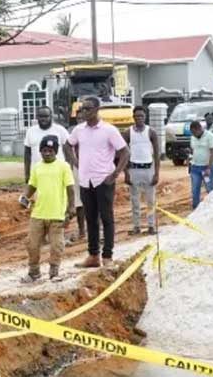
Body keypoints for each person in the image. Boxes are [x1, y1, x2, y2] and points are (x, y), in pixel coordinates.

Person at [67, 96, 129, 269]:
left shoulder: (109, 130)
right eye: (82, 109)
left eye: (87, 109)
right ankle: (93, 255)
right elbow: (67, 144)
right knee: (90, 219)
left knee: (107, 218)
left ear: (96, 110)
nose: (83, 112)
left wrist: (116, 173)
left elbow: (125, 152)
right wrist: (75, 161)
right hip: (86, 181)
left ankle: (107, 256)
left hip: (103, 180)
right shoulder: (79, 130)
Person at [23, 106, 83, 242]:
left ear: (51, 117)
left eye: (46, 116)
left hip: (59, 174)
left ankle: (70, 232)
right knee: (41, 205)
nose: (43, 119)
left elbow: (68, 150)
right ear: (36, 117)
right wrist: (27, 174)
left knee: (66, 203)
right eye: (40, 116)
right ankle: (43, 235)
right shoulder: (31, 132)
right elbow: (27, 154)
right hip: (39, 175)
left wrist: (70, 168)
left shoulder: (60, 130)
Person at [20, 135, 75, 283]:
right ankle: (33, 272)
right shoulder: (37, 167)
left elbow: (70, 188)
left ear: (55, 151)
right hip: (38, 214)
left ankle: (54, 272)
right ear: (40, 151)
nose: (47, 153)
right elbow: (32, 186)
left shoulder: (64, 166)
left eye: (50, 150)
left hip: (57, 214)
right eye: (44, 150)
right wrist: (25, 197)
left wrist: (71, 208)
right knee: (32, 244)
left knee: (57, 245)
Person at [123, 106, 159, 235]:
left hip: (148, 169)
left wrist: (157, 173)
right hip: (134, 169)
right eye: (137, 116)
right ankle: (136, 226)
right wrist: (126, 172)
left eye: (141, 116)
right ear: (133, 117)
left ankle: (151, 226)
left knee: (151, 200)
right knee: (135, 201)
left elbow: (156, 154)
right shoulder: (128, 133)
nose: (139, 118)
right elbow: (123, 154)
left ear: (145, 117)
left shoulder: (151, 132)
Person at [187, 121, 213, 210]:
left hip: (206, 168)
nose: (193, 135)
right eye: (192, 133)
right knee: (195, 189)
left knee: (209, 188)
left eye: (194, 132)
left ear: (199, 129)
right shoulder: (193, 137)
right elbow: (193, 150)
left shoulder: (210, 136)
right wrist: (190, 158)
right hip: (195, 168)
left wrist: (209, 167)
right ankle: (195, 208)